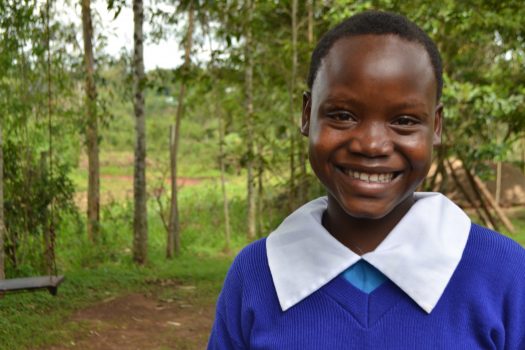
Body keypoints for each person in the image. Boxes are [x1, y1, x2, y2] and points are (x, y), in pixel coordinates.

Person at [207, 10, 525, 350]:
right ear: (306, 115)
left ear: (435, 126)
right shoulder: (257, 274)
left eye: (404, 120)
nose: (372, 145)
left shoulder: (506, 274)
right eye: (343, 115)